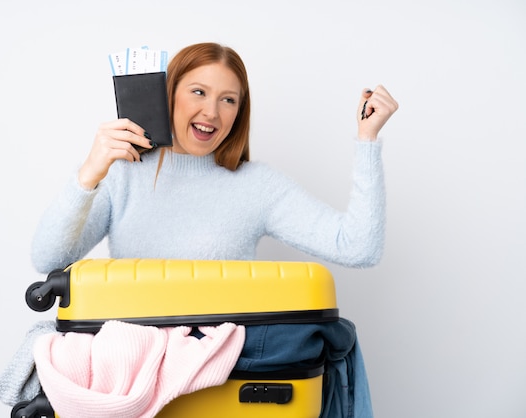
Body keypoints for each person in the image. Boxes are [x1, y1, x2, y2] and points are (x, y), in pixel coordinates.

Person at [28, 42, 398, 416]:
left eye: (228, 100)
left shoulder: (258, 186)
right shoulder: (122, 173)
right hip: (135, 383)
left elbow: (358, 248)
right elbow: (49, 258)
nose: (212, 112)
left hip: (229, 389)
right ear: (167, 94)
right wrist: (89, 174)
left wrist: (367, 141)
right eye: (198, 92)